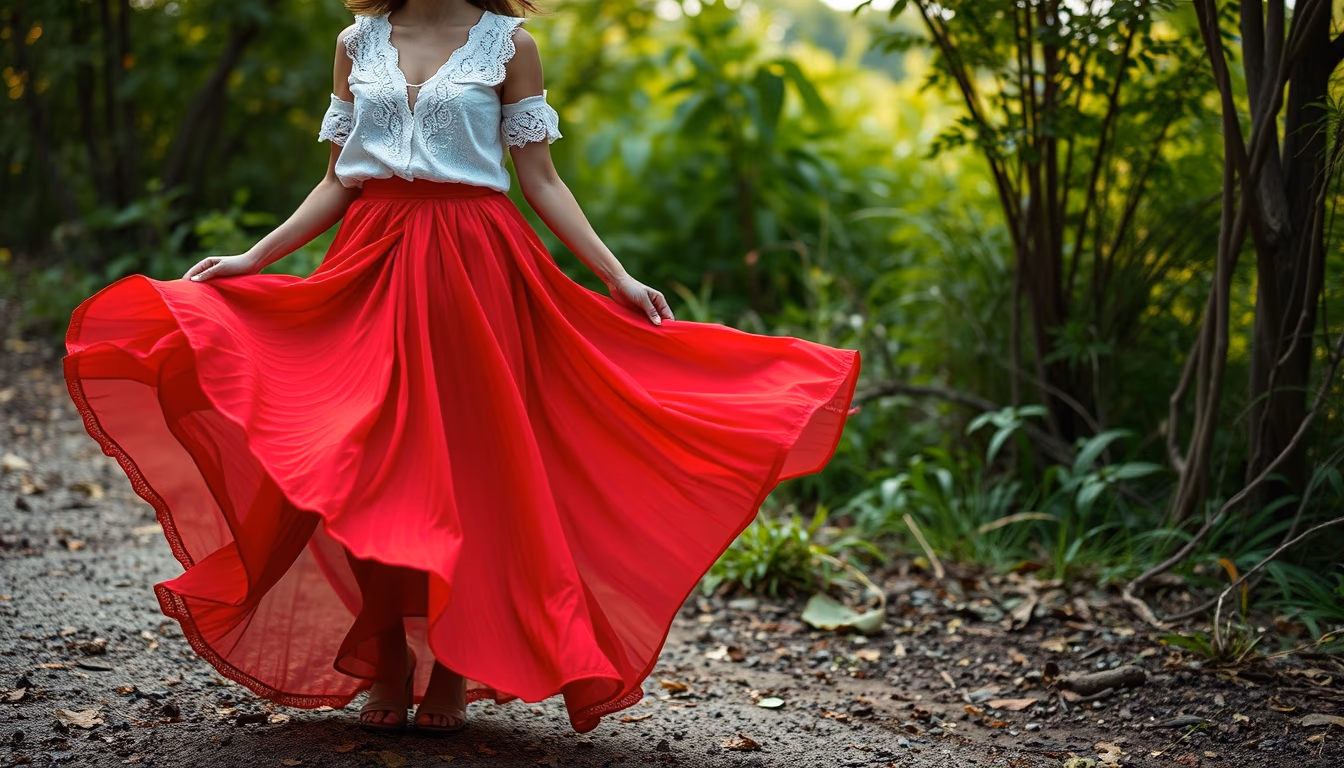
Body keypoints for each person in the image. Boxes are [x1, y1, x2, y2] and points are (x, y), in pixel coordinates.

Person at [61, 0, 861, 738]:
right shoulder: (354, 42)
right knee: (369, 468)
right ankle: (386, 661)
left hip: (476, 268)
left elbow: (541, 179)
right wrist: (256, 257)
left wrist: (614, 273)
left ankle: (450, 666)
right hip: (371, 262)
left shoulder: (508, 44)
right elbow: (339, 179)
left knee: (468, 472)